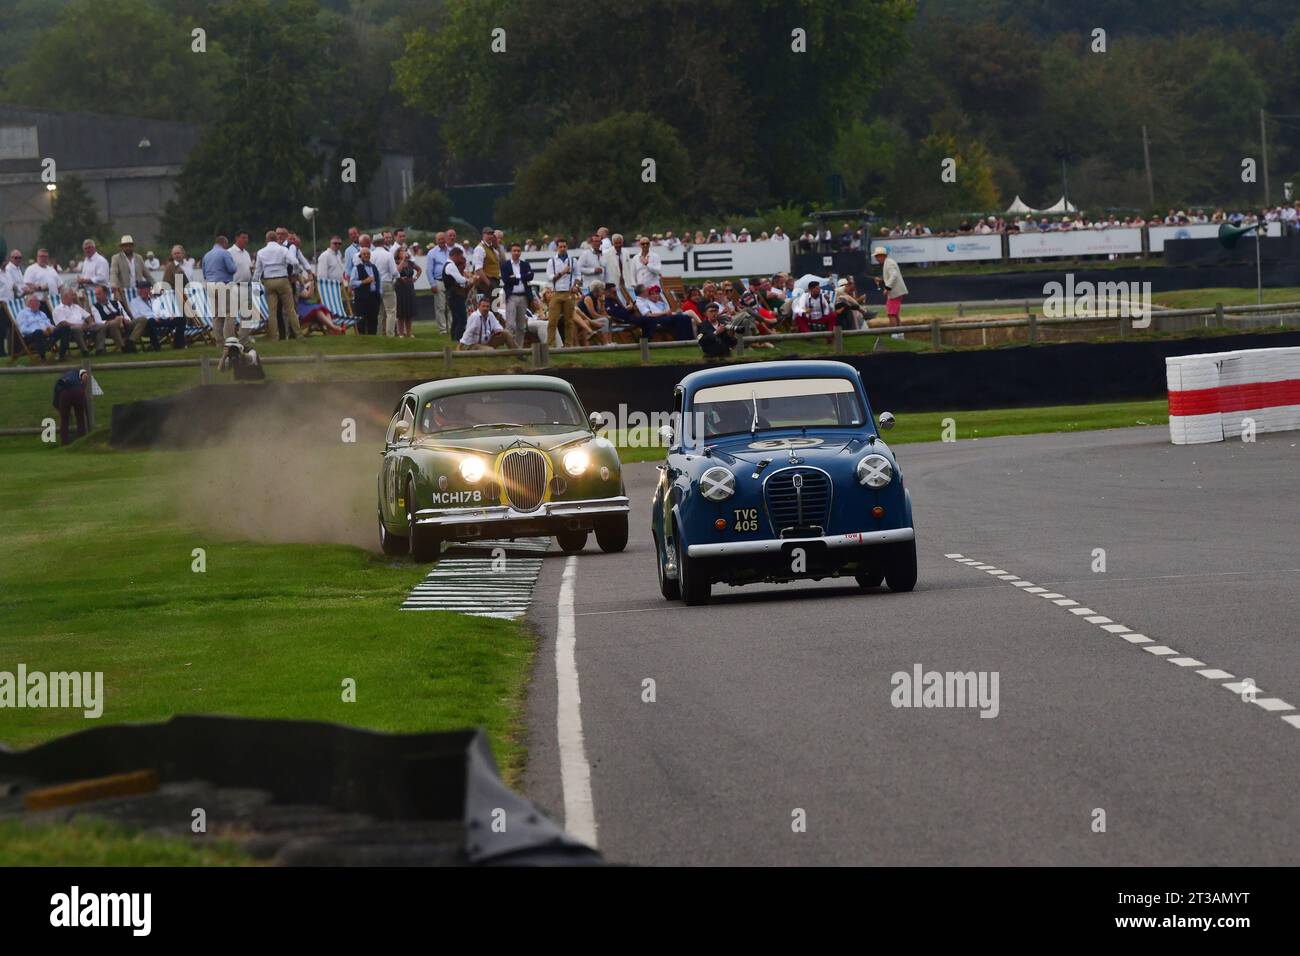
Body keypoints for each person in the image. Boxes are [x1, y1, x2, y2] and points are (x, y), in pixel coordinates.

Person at [254, 230, 300, 340]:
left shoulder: (261, 252)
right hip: (282, 280)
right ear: (276, 239)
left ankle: (274, 336)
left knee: (272, 312)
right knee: (290, 309)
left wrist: (255, 284)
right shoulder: (283, 250)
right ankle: (298, 334)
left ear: (266, 240)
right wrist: (295, 273)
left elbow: (258, 271)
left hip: (269, 281)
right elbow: (295, 262)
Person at [201, 235, 238, 341]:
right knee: (229, 313)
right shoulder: (225, 253)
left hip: (210, 285)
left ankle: (219, 341)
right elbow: (232, 269)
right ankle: (230, 340)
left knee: (217, 315)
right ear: (224, 243)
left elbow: (204, 274)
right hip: (223, 284)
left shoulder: (206, 255)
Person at [546, 238, 580, 346]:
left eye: (564, 246)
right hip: (556, 293)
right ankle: (551, 345)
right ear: (557, 247)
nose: (562, 248)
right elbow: (550, 278)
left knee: (569, 321)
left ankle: (568, 345)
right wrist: (562, 272)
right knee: (552, 321)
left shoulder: (573, 260)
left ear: (567, 247)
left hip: (568, 293)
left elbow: (578, 275)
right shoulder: (552, 261)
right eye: (560, 246)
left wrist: (576, 285)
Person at [500, 242, 534, 344]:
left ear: (521, 252)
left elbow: (531, 276)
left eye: (518, 251)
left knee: (521, 326)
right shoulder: (505, 265)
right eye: (514, 251)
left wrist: (517, 276)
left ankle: (519, 348)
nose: (516, 253)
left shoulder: (525, 264)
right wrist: (523, 276)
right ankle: (510, 347)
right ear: (511, 252)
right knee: (510, 324)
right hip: (512, 297)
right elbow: (506, 280)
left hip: (523, 297)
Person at [14, 294, 64, 361]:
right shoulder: (22, 314)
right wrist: (40, 331)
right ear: (29, 303)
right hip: (31, 336)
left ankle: (62, 355)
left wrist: (52, 328)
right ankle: (42, 357)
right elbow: (23, 330)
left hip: (46, 333)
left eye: (38, 301)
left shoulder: (42, 313)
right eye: (36, 301)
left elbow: (49, 324)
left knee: (64, 328)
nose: (38, 303)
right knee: (38, 332)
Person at [89, 284, 135, 353]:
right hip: (108, 327)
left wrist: (127, 319)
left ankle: (130, 342)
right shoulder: (95, 307)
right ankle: (123, 347)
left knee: (140, 320)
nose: (96, 297)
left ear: (105, 294)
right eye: (96, 295)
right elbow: (99, 321)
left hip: (123, 323)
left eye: (98, 294)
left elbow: (124, 313)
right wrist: (114, 321)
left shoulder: (116, 302)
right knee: (114, 323)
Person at [52, 288, 94, 359]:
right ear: (66, 296)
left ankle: (99, 349)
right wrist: (79, 325)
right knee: (77, 329)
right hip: (69, 331)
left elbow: (88, 316)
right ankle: (85, 350)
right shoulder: (58, 309)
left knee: (100, 326)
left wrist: (91, 323)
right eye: (72, 295)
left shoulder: (76, 307)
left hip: (84, 327)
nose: (74, 297)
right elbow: (63, 323)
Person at [52, 368, 91, 445]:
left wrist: (59, 408)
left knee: (64, 420)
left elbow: (56, 397)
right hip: (78, 392)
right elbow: (85, 376)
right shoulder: (79, 371)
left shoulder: (61, 379)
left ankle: (64, 443)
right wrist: (83, 388)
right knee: (80, 418)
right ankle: (81, 442)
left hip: (64, 394)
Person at [872, 245, 908, 330]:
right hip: (896, 292)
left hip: (894, 293)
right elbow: (892, 276)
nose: (876, 259)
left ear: (882, 256)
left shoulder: (889, 263)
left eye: (877, 256)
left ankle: (894, 334)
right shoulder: (888, 262)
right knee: (894, 314)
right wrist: (881, 279)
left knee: (891, 314)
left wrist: (887, 288)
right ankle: (899, 334)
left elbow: (894, 276)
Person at [349, 247, 382, 335]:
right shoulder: (356, 268)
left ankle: (373, 339)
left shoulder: (374, 267)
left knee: (373, 320)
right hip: (361, 298)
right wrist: (364, 282)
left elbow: (379, 280)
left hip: (374, 298)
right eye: (364, 254)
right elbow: (352, 283)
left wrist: (380, 292)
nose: (367, 255)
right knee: (361, 321)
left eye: (368, 254)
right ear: (360, 256)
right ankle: (362, 341)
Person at [443, 246, 473, 341]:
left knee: (456, 319)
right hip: (454, 295)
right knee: (462, 319)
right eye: (460, 257)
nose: (461, 259)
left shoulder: (448, 265)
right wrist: (470, 280)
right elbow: (460, 279)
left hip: (451, 294)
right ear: (455, 255)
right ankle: (459, 339)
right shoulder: (450, 265)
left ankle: (454, 339)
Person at [426, 232, 452, 333]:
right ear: (436, 241)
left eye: (443, 239)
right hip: (439, 281)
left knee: (450, 306)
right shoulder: (432, 253)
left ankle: (451, 327)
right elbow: (429, 270)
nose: (441, 241)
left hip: (450, 282)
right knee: (440, 307)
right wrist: (432, 284)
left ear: (446, 239)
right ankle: (443, 329)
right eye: (439, 239)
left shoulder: (451, 251)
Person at [394, 247, 422, 338]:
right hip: (400, 288)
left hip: (409, 287)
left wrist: (415, 278)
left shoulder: (410, 263)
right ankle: (401, 332)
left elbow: (419, 270)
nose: (404, 252)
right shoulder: (395, 262)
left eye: (405, 251)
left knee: (409, 311)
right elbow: (396, 272)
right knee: (401, 311)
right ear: (398, 253)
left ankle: (409, 332)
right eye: (402, 251)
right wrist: (402, 260)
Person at [575, 280, 613, 346]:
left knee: (609, 319)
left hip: (591, 319)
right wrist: (605, 317)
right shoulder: (588, 298)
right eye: (602, 289)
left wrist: (602, 303)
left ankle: (609, 341)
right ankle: (605, 342)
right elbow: (593, 314)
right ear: (596, 290)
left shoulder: (597, 298)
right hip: (584, 319)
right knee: (605, 320)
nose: (603, 291)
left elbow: (601, 312)